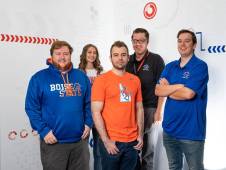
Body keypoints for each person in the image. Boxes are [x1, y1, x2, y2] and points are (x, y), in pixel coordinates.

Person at [25, 40, 92, 170]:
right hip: (54, 143)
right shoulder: (39, 78)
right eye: (58, 53)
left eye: (66, 53)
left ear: (70, 55)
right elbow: (31, 108)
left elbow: (89, 103)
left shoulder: (81, 76)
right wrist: (44, 131)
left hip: (80, 143)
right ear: (52, 56)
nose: (62, 57)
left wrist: (88, 123)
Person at [155, 29, 209, 170]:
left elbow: (189, 94)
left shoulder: (200, 66)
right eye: (179, 41)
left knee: (195, 168)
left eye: (187, 41)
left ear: (194, 44)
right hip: (170, 130)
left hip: (191, 131)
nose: (182, 44)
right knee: (174, 167)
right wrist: (179, 86)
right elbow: (158, 90)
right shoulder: (170, 66)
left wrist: (169, 89)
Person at [91, 41, 144, 170]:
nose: (120, 58)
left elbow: (139, 108)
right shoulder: (101, 80)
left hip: (132, 142)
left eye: (123, 54)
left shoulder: (135, 80)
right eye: (116, 55)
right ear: (110, 58)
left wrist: (140, 135)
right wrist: (106, 140)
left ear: (128, 57)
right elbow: (95, 112)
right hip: (112, 141)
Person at [126, 28, 165, 170]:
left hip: (149, 108)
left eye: (141, 41)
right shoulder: (127, 60)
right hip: (130, 110)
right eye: (135, 41)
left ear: (147, 42)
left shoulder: (156, 60)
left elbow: (162, 88)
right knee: (131, 148)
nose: (138, 44)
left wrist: (159, 111)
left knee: (148, 150)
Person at [78, 44, 103, 170]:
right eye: (89, 52)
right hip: (84, 114)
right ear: (84, 54)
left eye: (94, 52)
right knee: (82, 151)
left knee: (99, 151)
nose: (92, 55)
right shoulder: (78, 72)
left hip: (99, 113)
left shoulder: (100, 72)